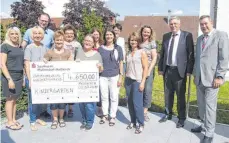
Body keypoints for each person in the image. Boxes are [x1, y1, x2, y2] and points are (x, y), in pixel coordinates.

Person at [191, 15, 229, 143]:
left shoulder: (221, 35)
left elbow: (224, 58)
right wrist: (195, 74)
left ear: (211, 22)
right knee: (201, 106)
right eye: (201, 24)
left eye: (205, 23)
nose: (203, 26)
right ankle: (203, 124)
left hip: (213, 79)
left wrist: (220, 76)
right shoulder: (200, 38)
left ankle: (209, 133)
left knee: (210, 107)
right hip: (200, 78)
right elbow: (198, 59)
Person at [158, 16, 194, 128]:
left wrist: (189, 70)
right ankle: (167, 113)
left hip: (180, 72)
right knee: (168, 94)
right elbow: (162, 53)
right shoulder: (166, 36)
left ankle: (181, 118)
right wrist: (160, 68)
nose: (173, 26)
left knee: (180, 96)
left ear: (180, 24)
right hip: (168, 70)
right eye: (171, 24)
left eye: (175, 24)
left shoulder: (187, 36)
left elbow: (191, 54)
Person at [22, 13, 54, 119]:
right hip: (32, 69)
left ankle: (43, 112)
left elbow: (53, 49)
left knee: (44, 92)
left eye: (46, 21)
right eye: (42, 20)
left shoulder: (51, 33)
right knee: (33, 95)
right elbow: (23, 46)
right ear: (38, 19)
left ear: (48, 22)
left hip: (45, 69)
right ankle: (34, 117)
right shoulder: (29, 32)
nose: (44, 22)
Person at [43, 30, 73, 129]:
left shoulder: (68, 52)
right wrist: (44, 61)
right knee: (54, 101)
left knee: (62, 101)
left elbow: (72, 65)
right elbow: (43, 64)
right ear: (54, 41)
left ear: (63, 40)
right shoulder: (49, 52)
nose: (59, 42)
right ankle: (55, 119)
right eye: (57, 40)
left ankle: (61, 119)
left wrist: (73, 61)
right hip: (53, 82)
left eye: (60, 40)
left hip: (64, 82)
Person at [76, 34, 103, 131]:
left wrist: (99, 66)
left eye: (90, 42)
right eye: (86, 40)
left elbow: (101, 70)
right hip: (80, 83)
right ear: (83, 41)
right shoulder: (79, 52)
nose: (87, 42)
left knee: (89, 104)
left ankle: (89, 121)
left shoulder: (97, 55)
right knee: (81, 103)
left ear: (93, 44)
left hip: (91, 84)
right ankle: (84, 120)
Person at [24, 26, 48, 131]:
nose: (37, 35)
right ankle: (32, 121)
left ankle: (38, 118)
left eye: (39, 34)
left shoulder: (44, 47)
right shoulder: (29, 47)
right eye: (35, 34)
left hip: (42, 79)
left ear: (42, 36)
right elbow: (26, 64)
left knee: (40, 100)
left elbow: (48, 61)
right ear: (31, 35)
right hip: (32, 78)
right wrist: (29, 80)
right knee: (33, 101)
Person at [98, 28, 123, 126]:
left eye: (111, 35)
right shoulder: (101, 48)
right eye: (107, 34)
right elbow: (98, 62)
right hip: (103, 76)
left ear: (114, 36)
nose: (109, 36)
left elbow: (121, 62)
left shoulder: (118, 48)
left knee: (114, 97)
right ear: (104, 36)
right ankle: (104, 115)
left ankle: (112, 116)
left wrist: (121, 77)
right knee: (104, 97)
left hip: (114, 76)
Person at [1, 27, 24, 130]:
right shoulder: (4, 46)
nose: (15, 36)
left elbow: (21, 63)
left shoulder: (19, 46)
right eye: (12, 34)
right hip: (9, 76)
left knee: (14, 99)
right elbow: (2, 64)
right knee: (9, 99)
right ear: (8, 35)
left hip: (19, 76)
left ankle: (14, 119)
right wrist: (9, 79)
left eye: (16, 34)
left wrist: (23, 77)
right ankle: (9, 122)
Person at [125, 32, 148, 134]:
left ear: (138, 42)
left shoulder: (142, 52)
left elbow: (146, 68)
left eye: (135, 40)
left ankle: (141, 123)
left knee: (137, 104)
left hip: (138, 80)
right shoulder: (129, 53)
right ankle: (133, 121)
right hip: (128, 80)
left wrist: (143, 82)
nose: (133, 42)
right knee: (130, 103)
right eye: (131, 40)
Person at [63, 24, 82, 118]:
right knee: (63, 90)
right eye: (67, 33)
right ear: (64, 34)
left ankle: (70, 108)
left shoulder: (77, 44)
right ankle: (62, 109)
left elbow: (80, 56)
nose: (69, 35)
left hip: (73, 71)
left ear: (74, 34)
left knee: (71, 90)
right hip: (61, 70)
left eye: (71, 33)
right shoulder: (59, 42)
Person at [139, 25, 157, 122]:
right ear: (141, 32)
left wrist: (149, 70)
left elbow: (154, 58)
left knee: (147, 90)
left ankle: (145, 112)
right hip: (138, 70)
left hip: (148, 69)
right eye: (144, 31)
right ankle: (138, 109)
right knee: (139, 89)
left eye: (148, 32)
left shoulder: (152, 43)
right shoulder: (138, 42)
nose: (146, 33)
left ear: (150, 34)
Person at [91, 28, 104, 117]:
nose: (96, 36)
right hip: (91, 70)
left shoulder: (103, 45)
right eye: (94, 34)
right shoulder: (89, 45)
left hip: (101, 69)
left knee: (100, 89)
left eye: (97, 34)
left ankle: (100, 107)